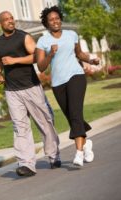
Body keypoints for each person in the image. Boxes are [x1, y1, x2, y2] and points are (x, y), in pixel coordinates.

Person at [0, 11, 61, 176]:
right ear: (0, 24)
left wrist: (15, 60)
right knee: (19, 126)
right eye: (7, 20)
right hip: (12, 90)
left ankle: (53, 155)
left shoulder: (24, 37)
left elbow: (37, 57)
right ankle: (26, 164)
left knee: (44, 121)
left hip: (30, 86)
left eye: (11, 18)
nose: (11, 21)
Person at [36, 6, 99, 167]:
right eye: (51, 19)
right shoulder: (43, 41)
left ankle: (78, 152)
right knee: (71, 116)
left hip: (76, 76)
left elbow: (79, 54)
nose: (55, 21)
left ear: (60, 19)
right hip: (58, 83)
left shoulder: (72, 35)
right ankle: (86, 143)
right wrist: (50, 54)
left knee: (76, 112)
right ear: (46, 23)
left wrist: (91, 60)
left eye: (57, 18)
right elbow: (41, 66)